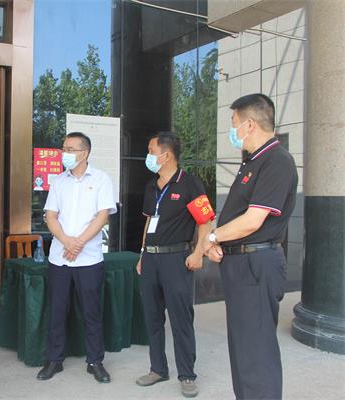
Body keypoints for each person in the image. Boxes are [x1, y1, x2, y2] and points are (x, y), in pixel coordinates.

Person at [203, 94, 297, 400]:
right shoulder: (252, 162)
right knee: (243, 350)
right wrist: (219, 241)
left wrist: (212, 238)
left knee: (256, 354)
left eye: (234, 123)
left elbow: (252, 221)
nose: (232, 131)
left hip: (256, 266)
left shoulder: (277, 161)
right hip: (240, 265)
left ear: (250, 124)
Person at [135, 132, 214, 398]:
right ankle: (158, 369)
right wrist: (142, 254)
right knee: (152, 317)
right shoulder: (151, 186)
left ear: (166, 155)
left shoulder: (190, 184)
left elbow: (205, 222)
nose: (148, 156)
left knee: (181, 319)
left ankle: (187, 374)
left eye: (151, 150)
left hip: (177, 259)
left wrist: (199, 253)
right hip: (151, 259)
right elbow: (149, 221)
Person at [37, 131, 117, 383]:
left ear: (85, 152)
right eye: (64, 149)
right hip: (59, 258)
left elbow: (103, 216)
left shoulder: (102, 179)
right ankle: (54, 360)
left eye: (70, 149)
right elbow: (50, 216)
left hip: (89, 259)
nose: (65, 154)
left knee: (92, 312)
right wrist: (66, 241)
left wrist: (79, 242)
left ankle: (95, 362)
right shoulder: (58, 181)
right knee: (57, 311)